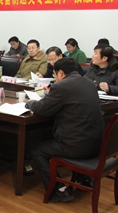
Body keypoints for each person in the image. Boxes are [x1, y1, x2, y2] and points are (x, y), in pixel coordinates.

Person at [27, 58, 104, 202]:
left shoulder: (62, 86)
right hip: (96, 143)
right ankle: (84, 178)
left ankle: (57, 189)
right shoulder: (88, 82)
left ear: (61, 73)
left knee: (36, 150)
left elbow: (42, 109)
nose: (55, 78)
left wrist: (31, 104)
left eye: (55, 75)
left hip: (76, 146)